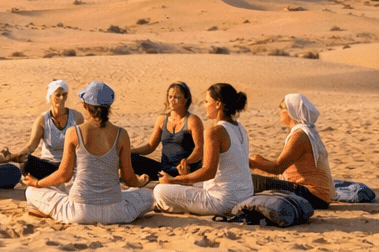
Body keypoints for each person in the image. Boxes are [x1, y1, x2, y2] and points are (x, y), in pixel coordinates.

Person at [21, 80, 156, 224]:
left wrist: (37, 183)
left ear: (85, 105)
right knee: (148, 195)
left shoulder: (74, 132)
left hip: (79, 212)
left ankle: (49, 211)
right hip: (115, 212)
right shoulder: (121, 134)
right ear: (109, 107)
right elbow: (128, 178)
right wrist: (139, 182)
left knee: (31, 192)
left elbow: (64, 175)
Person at [153, 82, 254, 216]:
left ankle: (178, 207)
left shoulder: (214, 132)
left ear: (218, 104)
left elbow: (208, 172)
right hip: (245, 195)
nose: (204, 105)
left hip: (223, 201)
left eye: (207, 101)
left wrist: (172, 180)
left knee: (160, 190)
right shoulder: (240, 128)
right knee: (191, 184)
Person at [249, 92, 335, 208]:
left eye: (282, 109)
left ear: (290, 112)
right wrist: (258, 162)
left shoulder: (300, 136)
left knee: (252, 181)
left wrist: (252, 163)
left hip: (313, 196)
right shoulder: (307, 132)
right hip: (321, 197)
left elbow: (278, 167)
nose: (280, 113)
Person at [130, 81, 204, 181]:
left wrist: (187, 161)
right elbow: (150, 146)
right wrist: (130, 151)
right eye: (170, 97)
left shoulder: (193, 120)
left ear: (186, 99)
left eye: (177, 97)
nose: (172, 100)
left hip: (184, 171)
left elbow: (200, 148)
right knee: (129, 158)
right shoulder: (161, 120)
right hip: (163, 170)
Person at [14, 79, 83, 179]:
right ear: (50, 97)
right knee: (25, 163)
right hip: (48, 165)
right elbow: (31, 146)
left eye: (64, 94)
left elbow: (82, 144)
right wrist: (15, 156)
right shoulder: (42, 120)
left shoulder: (77, 117)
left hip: (69, 165)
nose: (62, 98)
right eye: (58, 95)